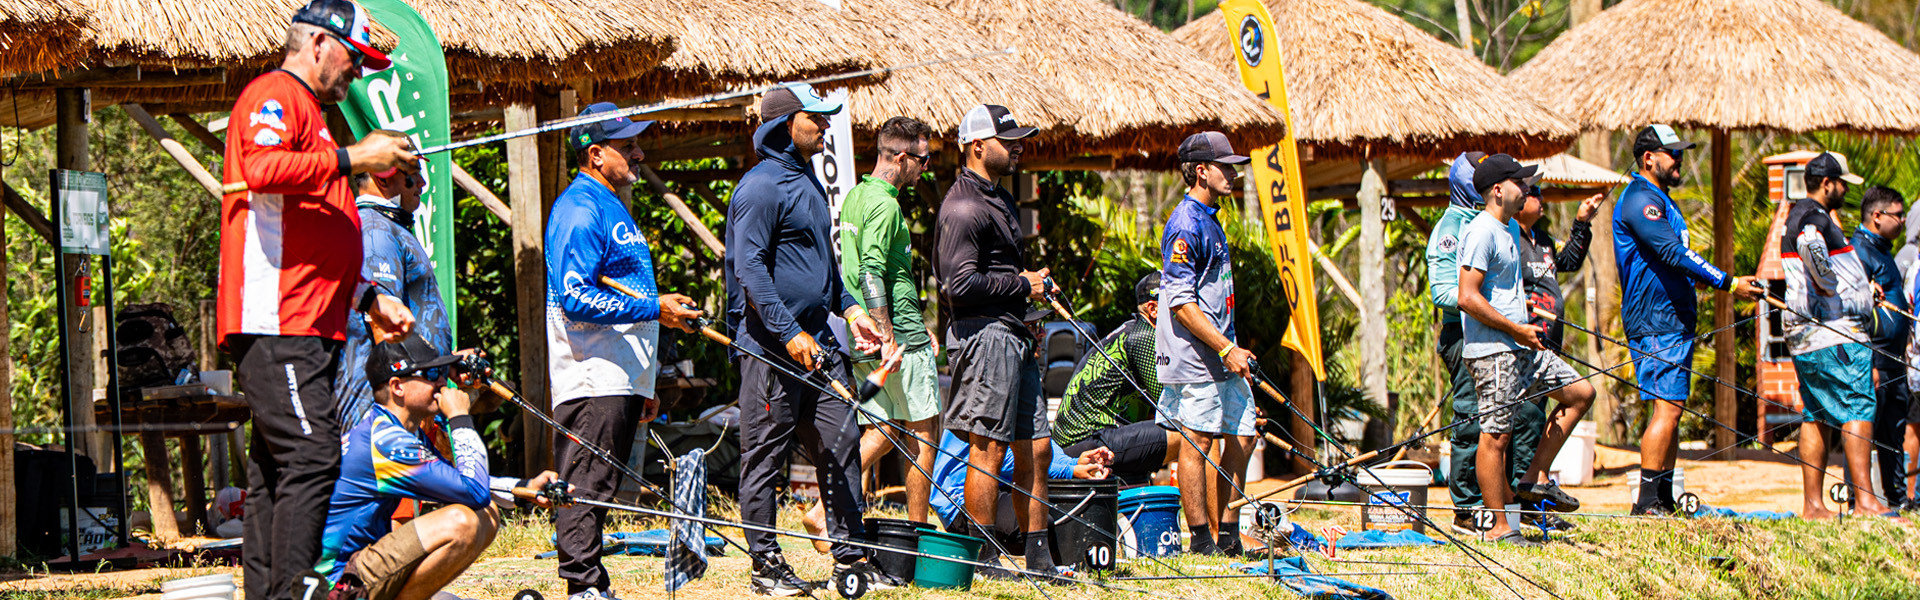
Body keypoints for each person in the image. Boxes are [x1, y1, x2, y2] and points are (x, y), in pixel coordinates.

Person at [219, 2, 419, 597]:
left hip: (311, 322)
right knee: (313, 454)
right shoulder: (274, 93)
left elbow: (313, 231)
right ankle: (295, 591)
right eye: (353, 59)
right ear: (319, 44)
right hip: (278, 321)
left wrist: (366, 298)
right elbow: (260, 167)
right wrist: (356, 158)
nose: (356, 73)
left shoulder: (312, 115)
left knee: (277, 475)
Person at [726, 83, 896, 596]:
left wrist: (850, 310)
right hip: (771, 348)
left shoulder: (808, 182)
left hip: (822, 342)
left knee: (842, 443)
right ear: (784, 123)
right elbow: (750, 272)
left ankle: (851, 556)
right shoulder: (758, 188)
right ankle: (766, 566)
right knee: (764, 456)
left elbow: (827, 266)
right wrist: (788, 331)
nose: (824, 128)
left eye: (826, 120)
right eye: (815, 119)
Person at [544, 102, 704, 600]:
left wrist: (645, 379)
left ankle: (591, 585)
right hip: (591, 374)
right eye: (628, 145)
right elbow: (574, 297)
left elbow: (626, 295)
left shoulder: (612, 203)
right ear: (595, 154)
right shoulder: (579, 208)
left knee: (602, 484)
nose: (638, 152)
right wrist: (657, 309)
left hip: (619, 376)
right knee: (585, 485)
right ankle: (583, 587)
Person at [317, 335, 564, 600]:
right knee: (465, 522)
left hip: (358, 572)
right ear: (397, 386)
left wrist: (523, 488)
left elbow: (454, 480)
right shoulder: (387, 442)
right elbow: (474, 492)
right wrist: (459, 417)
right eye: (432, 373)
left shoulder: (391, 431)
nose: (440, 382)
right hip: (336, 587)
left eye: (443, 372)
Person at [1612, 124, 1763, 516]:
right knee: (1666, 407)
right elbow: (1671, 252)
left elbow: (1681, 262)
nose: (1680, 159)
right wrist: (1729, 283)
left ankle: (1662, 496)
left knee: (1673, 406)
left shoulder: (1664, 201)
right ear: (1649, 159)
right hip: (1655, 318)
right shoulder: (1639, 200)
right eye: (1672, 153)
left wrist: (1710, 282)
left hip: (1675, 318)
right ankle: (1645, 503)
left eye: (1681, 153)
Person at [934, 103, 1055, 576]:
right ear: (978, 146)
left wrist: (1029, 310)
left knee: (1038, 447)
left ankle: (1039, 552)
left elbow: (1000, 273)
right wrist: (1024, 285)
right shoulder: (963, 207)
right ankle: (983, 558)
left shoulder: (1000, 199)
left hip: (1012, 334)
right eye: (1010, 141)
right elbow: (958, 286)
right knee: (988, 448)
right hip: (982, 339)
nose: (1019, 146)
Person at [1455, 154, 1596, 546]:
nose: (1528, 190)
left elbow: (1502, 292)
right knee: (1495, 438)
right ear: (1498, 190)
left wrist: (1524, 319)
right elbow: (1467, 297)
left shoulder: (1509, 231)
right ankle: (1502, 527)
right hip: (1493, 352)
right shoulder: (1481, 231)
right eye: (1521, 183)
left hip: (1523, 349)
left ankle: (1535, 476)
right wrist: (1517, 328)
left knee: (1581, 392)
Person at [1426, 153, 1548, 535]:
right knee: (1471, 419)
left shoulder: (1501, 224)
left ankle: (1509, 499)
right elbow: (1446, 291)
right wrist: (1493, 307)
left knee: (1511, 418)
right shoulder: (1452, 227)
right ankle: (1467, 508)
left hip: (1501, 334)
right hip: (1465, 336)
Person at [1782, 153, 1901, 520]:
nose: (1846, 189)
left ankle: (1813, 506)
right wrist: (1831, 286)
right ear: (1826, 182)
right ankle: (1865, 501)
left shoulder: (1801, 212)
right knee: (1859, 406)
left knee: (1816, 413)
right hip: (1835, 333)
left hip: (1810, 336)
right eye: (1842, 182)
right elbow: (1811, 245)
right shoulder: (1813, 215)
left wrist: (1859, 288)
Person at [835, 116, 941, 523]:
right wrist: (889, 335)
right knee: (924, 435)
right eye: (923, 159)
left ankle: (830, 512)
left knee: (881, 429)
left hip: (864, 332)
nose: (925, 168)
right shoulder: (885, 204)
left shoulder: (856, 197)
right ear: (901, 157)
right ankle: (917, 535)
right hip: (889, 335)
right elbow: (871, 272)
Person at [1155, 132, 1256, 557]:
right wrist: (1224, 347)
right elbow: (1181, 303)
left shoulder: (1211, 217)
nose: (1233, 174)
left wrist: (1232, 346)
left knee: (1244, 433)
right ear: (1202, 171)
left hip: (1221, 353)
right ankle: (1200, 539)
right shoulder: (1185, 222)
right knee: (1198, 442)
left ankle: (1228, 533)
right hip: (1197, 356)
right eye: (1225, 166)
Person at [1509, 184, 1604, 532]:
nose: (1540, 197)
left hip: (1552, 345)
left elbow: (1568, 261)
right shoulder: (1508, 240)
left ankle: (1536, 497)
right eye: (1533, 193)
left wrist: (1581, 223)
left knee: (1546, 415)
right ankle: (1526, 507)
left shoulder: (1543, 240)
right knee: (1527, 423)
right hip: (1525, 348)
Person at [335, 165, 453, 428]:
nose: (422, 182)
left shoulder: (387, 225)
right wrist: (410, 405)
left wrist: (448, 361)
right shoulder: (375, 230)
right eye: (413, 173)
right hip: (389, 410)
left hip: (404, 404)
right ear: (382, 178)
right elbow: (384, 330)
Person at [1053, 272, 1176, 484]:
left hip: (1092, 438)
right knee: (1192, 432)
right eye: (1176, 303)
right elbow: (1167, 403)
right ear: (1153, 309)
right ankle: (1206, 517)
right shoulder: (1143, 335)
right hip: (1087, 441)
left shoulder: (1132, 330)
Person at [928, 430, 1113, 535]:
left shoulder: (1024, 373)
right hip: (959, 503)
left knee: (1088, 449)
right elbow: (1007, 458)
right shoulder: (996, 376)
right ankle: (984, 554)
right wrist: (1070, 471)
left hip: (1001, 484)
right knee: (1040, 522)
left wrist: (1075, 463)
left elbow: (1041, 441)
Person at [1853, 185, 1910, 510]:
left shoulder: (1884, 250)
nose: (1903, 221)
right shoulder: (1859, 251)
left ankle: (1898, 499)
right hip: (1874, 358)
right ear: (1877, 216)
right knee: (1864, 429)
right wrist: (1870, 361)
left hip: (1895, 359)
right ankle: (1859, 499)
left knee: (1894, 432)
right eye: (1898, 215)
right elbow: (1857, 312)